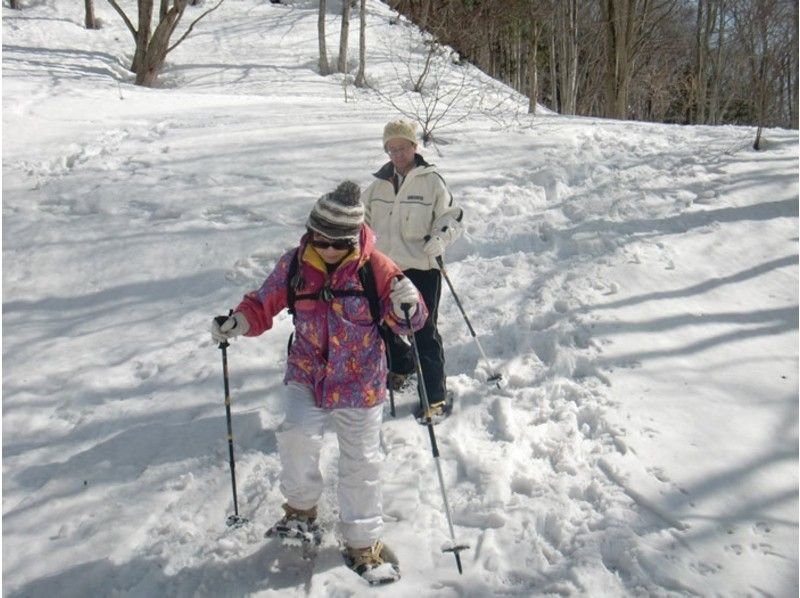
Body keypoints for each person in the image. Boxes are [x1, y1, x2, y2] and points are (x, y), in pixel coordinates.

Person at [210, 181, 426, 581]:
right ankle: (301, 510)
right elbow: (263, 303)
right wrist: (237, 322)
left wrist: (408, 303)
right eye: (321, 240)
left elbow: (409, 322)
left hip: (360, 379)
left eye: (337, 243)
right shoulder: (295, 263)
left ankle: (362, 541)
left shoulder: (375, 267)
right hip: (308, 370)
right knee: (296, 434)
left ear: (353, 239)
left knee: (360, 462)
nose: (328, 250)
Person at [362, 120, 463, 421]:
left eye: (402, 148)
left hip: (421, 267)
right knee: (378, 324)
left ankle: (434, 396)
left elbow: (450, 215)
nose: (396, 154)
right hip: (383, 269)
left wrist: (440, 237)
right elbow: (363, 222)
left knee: (423, 330)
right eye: (391, 149)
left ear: (414, 147)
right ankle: (402, 365)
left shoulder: (431, 181)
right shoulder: (377, 186)